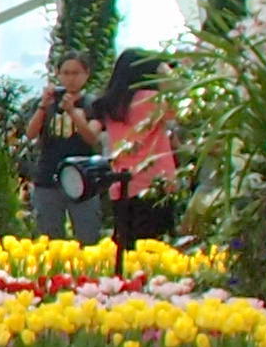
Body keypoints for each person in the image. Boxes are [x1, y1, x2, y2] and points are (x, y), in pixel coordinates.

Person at [95, 49, 181, 271]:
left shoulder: (111, 103)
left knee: (127, 251)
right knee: (154, 253)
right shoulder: (152, 99)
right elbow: (180, 104)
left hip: (122, 183)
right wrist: (166, 73)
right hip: (153, 182)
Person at [22, 52, 109, 243]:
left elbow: (92, 138)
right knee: (49, 238)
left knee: (88, 237)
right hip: (48, 176)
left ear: (86, 74)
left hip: (83, 178)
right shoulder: (47, 103)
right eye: (66, 73)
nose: (71, 79)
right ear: (58, 74)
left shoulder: (93, 104)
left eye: (76, 73)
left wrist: (72, 111)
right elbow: (30, 134)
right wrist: (43, 106)